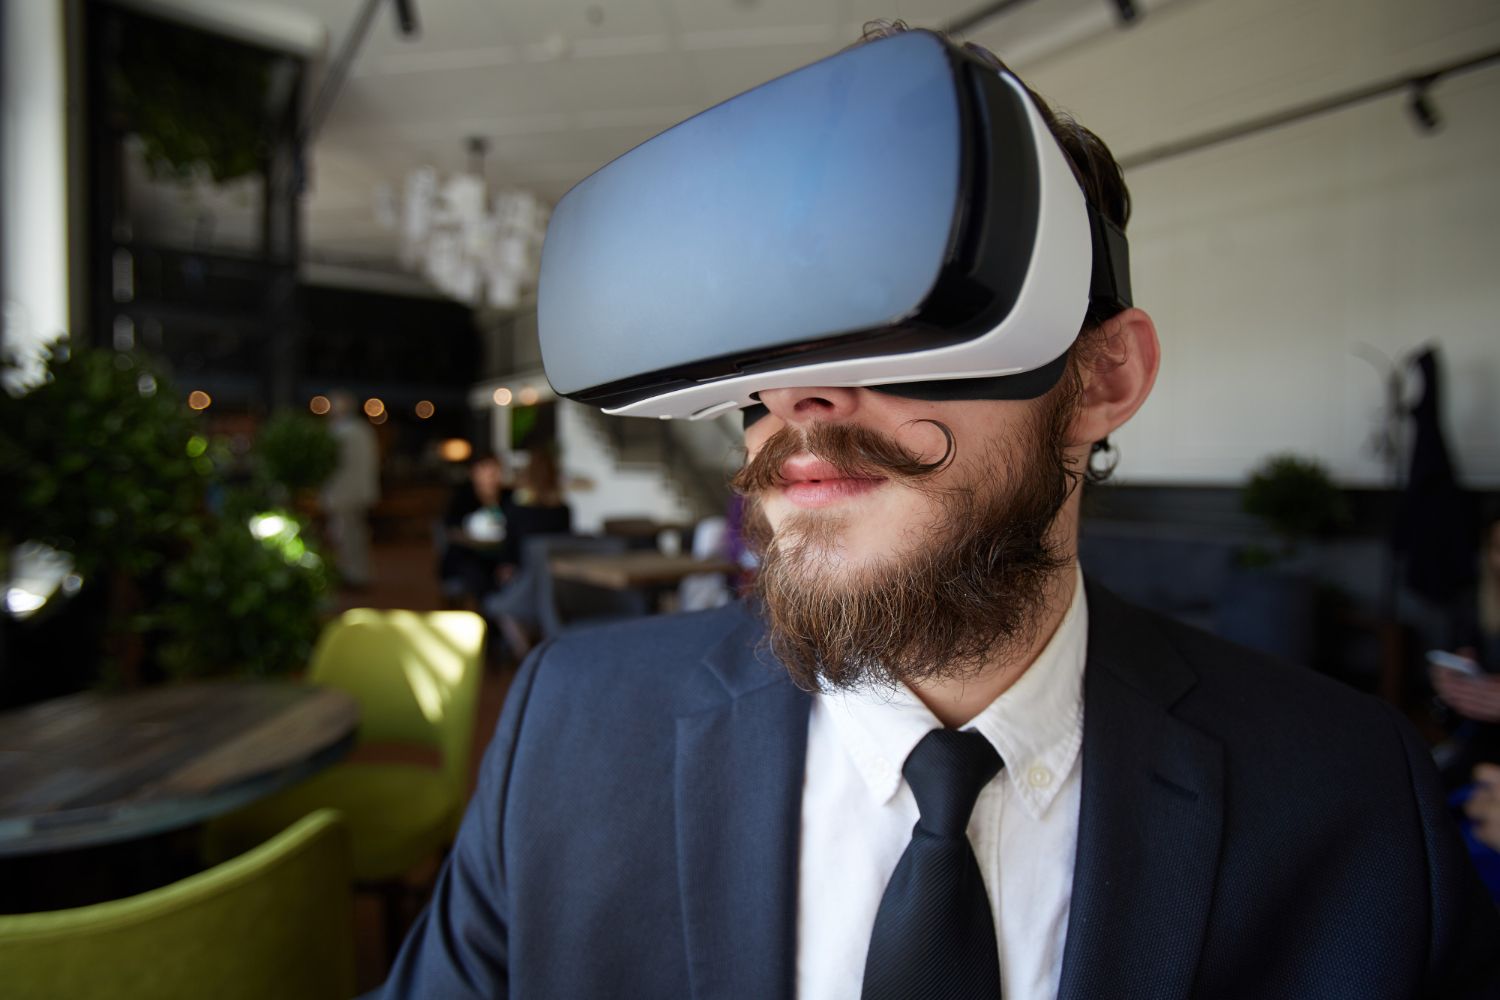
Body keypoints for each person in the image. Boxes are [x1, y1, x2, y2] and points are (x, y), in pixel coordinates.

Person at [374, 25, 1499, 1000]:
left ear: (1101, 377)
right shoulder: (569, 735)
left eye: (896, 319)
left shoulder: (1348, 796)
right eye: (759, 352)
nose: (798, 400)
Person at [320, 390, 380, 589]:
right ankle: (355, 573)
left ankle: (353, 574)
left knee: (347, 536)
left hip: (344, 494)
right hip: (357, 493)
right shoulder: (362, 430)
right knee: (354, 535)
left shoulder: (342, 432)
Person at [440, 453, 515, 606]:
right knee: (477, 574)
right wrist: (475, 542)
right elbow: (451, 530)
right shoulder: (462, 498)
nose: (490, 476)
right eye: (484, 470)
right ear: (473, 473)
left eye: (494, 471)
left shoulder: (510, 497)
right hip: (470, 555)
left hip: (502, 555)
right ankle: (490, 612)